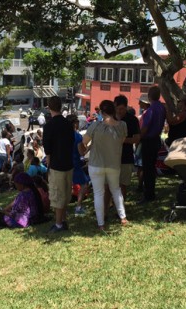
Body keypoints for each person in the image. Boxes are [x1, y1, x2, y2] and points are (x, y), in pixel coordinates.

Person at [80, 100, 128, 230]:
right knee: (116, 190)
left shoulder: (95, 125)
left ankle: (101, 223)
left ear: (101, 112)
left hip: (96, 163)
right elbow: (121, 141)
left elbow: (84, 141)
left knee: (98, 193)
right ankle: (123, 217)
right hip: (114, 163)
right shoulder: (122, 125)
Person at [42, 96, 74, 233]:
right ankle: (64, 220)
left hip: (56, 164)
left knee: (57, 195)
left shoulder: (49, 126)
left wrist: (49, 159)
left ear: (49, 107)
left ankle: (59, 224)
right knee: (66, 193)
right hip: (69, 163)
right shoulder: (68, 124)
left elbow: (47, 147)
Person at [139, 86, 167, 203]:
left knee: (147, 169)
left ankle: (148, 194)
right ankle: (151, 192)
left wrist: (139, 137)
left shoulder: (151, 110)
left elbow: (145, 127)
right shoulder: (162, 108)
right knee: (152, 168)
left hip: (148, 140)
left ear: (149, 96)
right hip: (156, 139)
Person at [114, 95, 141, 199]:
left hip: (126, 156)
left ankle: (121, 205)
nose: (119, 111)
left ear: (126, 107)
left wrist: (122, 140)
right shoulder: (110, 119)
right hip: (111, 157)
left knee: (123, 184)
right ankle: (111, 203)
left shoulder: (132, 120)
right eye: (117, 108)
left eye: (121, 109)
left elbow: (137, 139)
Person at [68, 114, 90, 216]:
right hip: (75, 164)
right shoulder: (77, 136)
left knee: (66, 186)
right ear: (75, 124)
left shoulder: (63, 135)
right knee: (84, 184)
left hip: (65, 164)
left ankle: (64, 209)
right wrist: (89, 147)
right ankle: (78, 207)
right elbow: (82, 152)